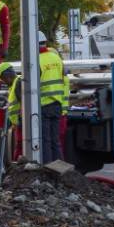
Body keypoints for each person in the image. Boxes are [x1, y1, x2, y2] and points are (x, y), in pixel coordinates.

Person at [37, 32, 66, 163]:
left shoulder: (36, 60)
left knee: (45, 141)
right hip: (57, 104)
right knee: (56, 140)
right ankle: (60, 169)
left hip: (44, 105)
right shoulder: (56, 58)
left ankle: (48, 169)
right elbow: (62, 77)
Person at [0, 62, 22, 160]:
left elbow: (23, 104)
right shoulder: (13, 86)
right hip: (18, 124)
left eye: (3, 79)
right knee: (19, 146)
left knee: (20, 147)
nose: (4, 82)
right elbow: (11, 106)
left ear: (7, 75)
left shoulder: (18, 83)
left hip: (21, 124)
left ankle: (17, 168)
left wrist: (21, 121)